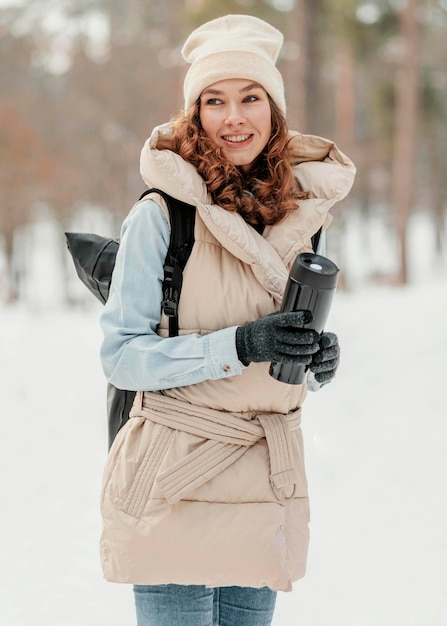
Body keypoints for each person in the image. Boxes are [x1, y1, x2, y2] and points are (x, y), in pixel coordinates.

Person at [99, 14, 356, 626]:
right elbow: (121, 356)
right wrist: (240, 344)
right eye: (214, 101)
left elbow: (285, 351)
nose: (233, 116)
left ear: (275, 113)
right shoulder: (163, 216)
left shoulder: (300, 215)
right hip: (175, 477)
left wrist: (317, 363)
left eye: (250, 98)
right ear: (195, 115)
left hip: (262, 479)